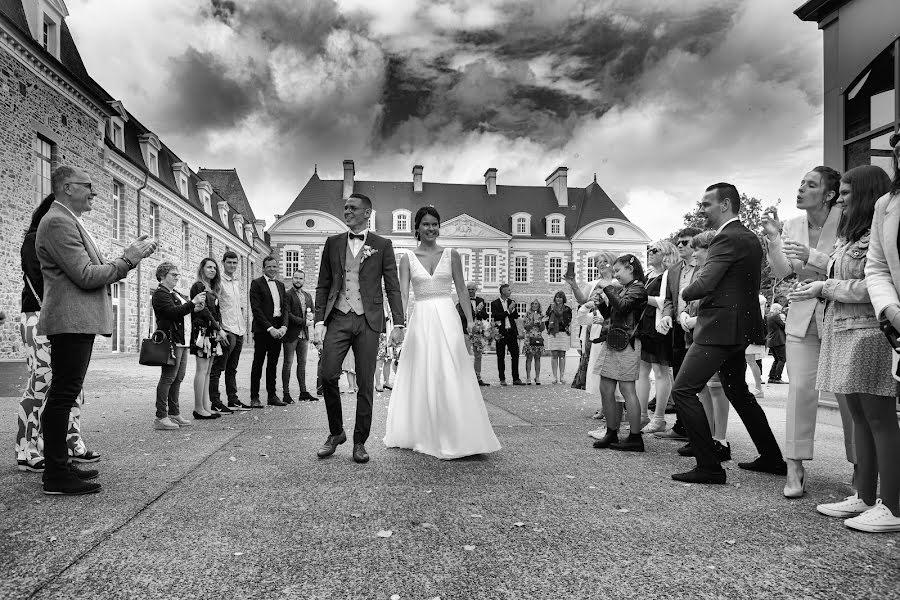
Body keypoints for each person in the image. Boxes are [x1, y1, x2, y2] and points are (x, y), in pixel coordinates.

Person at [36, 166, 156, 495]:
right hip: (71, 321)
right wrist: (128, 260)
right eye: (88, 186)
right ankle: (56, 474)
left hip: (77, 321)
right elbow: (87, 276)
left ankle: (60, 464)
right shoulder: (58, 221)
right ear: (66, 187)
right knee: (62, 395)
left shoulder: (67, 220)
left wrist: (129, 255)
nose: (94, 192)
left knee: (65, 393)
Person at [670, 182, 784, 485]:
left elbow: (705, 283)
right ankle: (772, 457)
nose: (702, 209)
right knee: (738, 393)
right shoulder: (748, 237)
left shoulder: (725, 239)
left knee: (682, 390)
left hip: (719, 328)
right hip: (740, 329)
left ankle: (709, 466)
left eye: (707, 204)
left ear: (725, 205)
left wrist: (686, 291)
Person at [807, 163, 900, 531]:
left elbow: (872, 284)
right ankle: (864, 494)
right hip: (843, 329)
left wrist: (824, 288)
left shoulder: (877, 231)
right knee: (860, 417)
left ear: (864, 193)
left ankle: (891, 504)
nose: (840, 199)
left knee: (879, 417)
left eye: (845, 193)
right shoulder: (850, 235)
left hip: (869, 331)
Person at [383, 206, 501, 459]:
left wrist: (470, 321)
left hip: (447, 317)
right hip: (422, 318)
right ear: (417, 228)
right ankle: (425, 431)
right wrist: (398, 324)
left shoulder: (452, 254)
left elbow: (461, 289)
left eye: (435, 224)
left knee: (452, 369)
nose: (431, 229)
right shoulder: (407, 258)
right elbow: (403, 294)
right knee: (424, 371)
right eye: (426, 224)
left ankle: (457, 432)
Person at [762, 166, 850, 497]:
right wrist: (774, 239)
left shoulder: (846, 219)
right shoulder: (793, 224)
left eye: (810, 185)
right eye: (800, 183)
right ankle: (794, 466)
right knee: (799, 390)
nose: (800, 189)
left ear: (829, 194)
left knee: (847, 393)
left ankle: (860, 469)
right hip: (801, 315)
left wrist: (812, 256)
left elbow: (848, 265)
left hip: (838, 314)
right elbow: (785, 272)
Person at [314, 193, 406, 464]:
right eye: (345, 208)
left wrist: (398, 322)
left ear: (368, 213)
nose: (347, 211)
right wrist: (319, 320)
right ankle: (336, 433)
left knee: (366, 382)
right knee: (328, 375)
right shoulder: (332, 243)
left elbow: (392, 285)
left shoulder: (382, 244)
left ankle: (359, 442)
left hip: (369, 320)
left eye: (353, 208)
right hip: (339, 318)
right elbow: (323, 284)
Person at [17, 194, 97, 473]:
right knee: (40, 384)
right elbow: (39, 281)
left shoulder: (70, 239)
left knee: (72, 386)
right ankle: (26, 449)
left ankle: (70, 441)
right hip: (39, 316)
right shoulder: (34, 238)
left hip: (65, 319)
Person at [677, 231, 732, 462]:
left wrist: (696, 321)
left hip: (714, 337)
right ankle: (707, 438)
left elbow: (723, 309)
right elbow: (692, 303)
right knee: (702, 391)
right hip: (697, 336)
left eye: (698, 248)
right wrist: (683, 315)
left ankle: (720, 440)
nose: (694, 252)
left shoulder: (720, 274)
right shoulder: (701, 272)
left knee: (718, 390)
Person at [587, 254, 648, 452]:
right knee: (606, 387)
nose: (615, 275)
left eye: (618, 271)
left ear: (630, 269)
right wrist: (602, 304)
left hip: (627, 343)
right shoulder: (626, 289)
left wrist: (606, 286)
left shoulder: (638, 288)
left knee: (627, 389)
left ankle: (635, 437)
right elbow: (612, 315)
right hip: (615, 341)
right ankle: (611, 433)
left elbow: (622, 307)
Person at [656, 227, 703, 442]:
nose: (681, 245)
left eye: (686, 242)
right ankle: (683, 427)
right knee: (679, 379)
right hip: (677, 329)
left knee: (694, 384)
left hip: (699, 328)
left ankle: (701, 433)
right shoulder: (673, 270)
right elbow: (668, 300)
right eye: (679, 242)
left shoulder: (705, 267)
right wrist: (667, 315)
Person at [151, 262, 207, 428]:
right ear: (162, 276)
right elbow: (171, 313)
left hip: (181, 341)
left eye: (177, 274)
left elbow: (181, 312)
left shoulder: (172, 293)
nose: (177, 277)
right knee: (168, 378)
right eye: (173, 274)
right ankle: (160, 417)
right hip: (171, 341)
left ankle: (174, 414)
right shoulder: (161, 294)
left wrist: (195, 309)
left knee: (178, 377)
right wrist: (192, 303)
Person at [637, 239, 678, 433]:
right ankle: (642, 415)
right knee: (642, 372)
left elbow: (667, 300)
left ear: (666, 254)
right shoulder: (648, 274)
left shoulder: (669, 275)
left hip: (659, 327)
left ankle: (659, 418)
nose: (650, 252)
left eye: (655, 250)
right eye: (649, 249)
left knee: (661, 372)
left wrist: (641, 297)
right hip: (644, 326)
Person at [210, 251, 250, 411]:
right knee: (218, 367)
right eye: (229, 263)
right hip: (227, 329)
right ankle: (215, 402)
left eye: (235, 263)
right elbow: (214, 306)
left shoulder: (236, 282)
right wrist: (219, 329)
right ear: (223, 263)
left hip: (239, 329)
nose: (232, 265)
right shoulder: (219, 283)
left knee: (232, 368)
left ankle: (233, 399)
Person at [249, 256, 287, 408]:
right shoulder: (256, 284)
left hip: (278, 328)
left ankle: (272, 395)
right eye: (269, 266)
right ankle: (254, 397)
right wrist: (269, 328)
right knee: (258, 363)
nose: (272, 269)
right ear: (263, 268)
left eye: (274, 266)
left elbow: (285, 308)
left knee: (273, 363)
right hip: (262, 329)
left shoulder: (280, 285)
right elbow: (256, 309)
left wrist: (283, 327)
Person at [190, 258, 226, 417]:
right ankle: (198, 408)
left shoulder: (212, 288)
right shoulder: (198, 286)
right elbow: (203, 310)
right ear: (202, 269)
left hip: (211, 332)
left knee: (207, 371)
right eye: (209, 267)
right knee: (201, 370)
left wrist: (219, 329)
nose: (212, 270)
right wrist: (219, 328)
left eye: (215, 268)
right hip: (202, 332)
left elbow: (217, 313)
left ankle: (205, 407)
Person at [282, 269, 316, 402]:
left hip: (304, 335)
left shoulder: (307, 296)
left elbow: (313, 311)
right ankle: (286, 393)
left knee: (302, 363)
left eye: (301, 278)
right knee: (288, 363)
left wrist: (312, 317)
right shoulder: (287, 295)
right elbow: (288, 314)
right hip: (291, 334)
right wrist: (304, 322)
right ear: (292, 279)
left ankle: (303, 392)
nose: (298, 280)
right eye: (296, 278)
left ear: (304, 280)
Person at [456, 282, 490, 386]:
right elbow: (461, 316)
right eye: (469, 289)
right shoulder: (461, 301)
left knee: (478, 355)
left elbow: (485, 315)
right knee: (465, 354)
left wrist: (479, 311)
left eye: (472, 289)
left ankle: (477, 377)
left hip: (478, 332)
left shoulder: (481, 301)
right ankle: (464, 377)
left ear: (476, 290)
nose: (471, 291)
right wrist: (475, 311)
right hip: (466, 331)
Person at [491, 284, 524, 386]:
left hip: (511, 332)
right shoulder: (495, 303)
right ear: (503, 291)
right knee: (500, 356)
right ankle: (502, 378)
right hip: (501, 332)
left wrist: (512, 310)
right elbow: (496, 316)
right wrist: (508, 311)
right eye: (509, 290)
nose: (510, 292)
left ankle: (516, 378)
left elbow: (515, 316)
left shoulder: (511, 302)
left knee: (515, 354)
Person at [545, 291, 572, 384]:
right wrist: (550, 328)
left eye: (560, 297)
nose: (558, 299)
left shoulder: (567, 309)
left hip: (563, 333)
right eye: (557, 297)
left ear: (563, 299)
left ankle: (562, 376)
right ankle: (554, 377)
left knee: (562, 355)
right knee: (554, 355)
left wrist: (561, 321)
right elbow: (547, 319)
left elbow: (568, 320)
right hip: (553, 333)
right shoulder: (551, 307)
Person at [745, 295, 768, 398]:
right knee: (749, 361)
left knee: (751, 361)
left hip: (751, 334)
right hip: (749, 333)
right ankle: (757, 388)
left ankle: (759, 388)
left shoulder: (758, 299)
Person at [522, 300, 545, 385]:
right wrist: (532, 322)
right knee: (529, 358)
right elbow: (526, 327)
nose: (534, 305)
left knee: (538, 358)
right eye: (533, 304)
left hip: (538, 337)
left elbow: (543, 328)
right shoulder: (527, 314)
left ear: (539, 305)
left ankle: (537, 377)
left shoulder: (541, 315)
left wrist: (540, 323)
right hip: (529, 337)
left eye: (536, 304)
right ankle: (528, 377)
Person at [766, 302, 787, 383]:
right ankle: (777, 378)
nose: (780, 312)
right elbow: (784, 326)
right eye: (779, 310)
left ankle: (771, 377)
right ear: (775, 309)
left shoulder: (768, 316)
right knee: (782, 359)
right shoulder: (776, 316)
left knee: (776, 359)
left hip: (771, 340)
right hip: (778, 340)